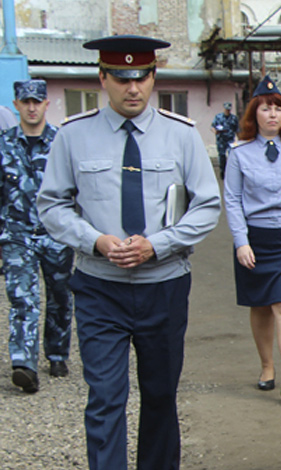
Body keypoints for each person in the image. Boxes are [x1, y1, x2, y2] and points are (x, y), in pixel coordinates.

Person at [36, 35, 221, 470]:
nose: (132, 88)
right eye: (121, 79)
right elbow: (52, 204)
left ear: (154, 77)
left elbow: (207, 204)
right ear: (103, 78)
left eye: (141, 78)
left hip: (165, 286)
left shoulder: (181, 136)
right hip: (101, 287)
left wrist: (156, 244)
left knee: (160, 396)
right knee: (104, 397)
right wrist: (95, 240)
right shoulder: (73, 136)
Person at [224, 75, 281, 403]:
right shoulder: (240, 153)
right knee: (260, 306)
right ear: (253, 114)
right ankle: (267, 367)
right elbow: (232, 199)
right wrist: (241, 241)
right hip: (255, 238)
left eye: (277, 109)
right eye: (265, 109)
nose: (272, 114)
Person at [1, 79, 73, 393]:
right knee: (23, 299)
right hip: (16, 234)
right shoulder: (3, 144)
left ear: (46, 104)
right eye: (25, 102)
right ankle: (24, 364)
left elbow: (76, 191)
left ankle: (56, 353)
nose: (31, 107)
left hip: (55, 234)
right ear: (16, 105)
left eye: (37, 102)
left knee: (59, 297)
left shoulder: (62, 143)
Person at [211, 101, 239, 179]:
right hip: (221, 140)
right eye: (226, 109)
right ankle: (222, 170)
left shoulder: (234, 118)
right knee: (222, 156)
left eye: (229, 110)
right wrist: (215, 131)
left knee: (231, 155)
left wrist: (239, 141)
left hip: (230, 140)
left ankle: (230, 172)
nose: (227, 111)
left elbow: (237, 129)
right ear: (224, 109)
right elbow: (212, 127)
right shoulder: (218, 117)